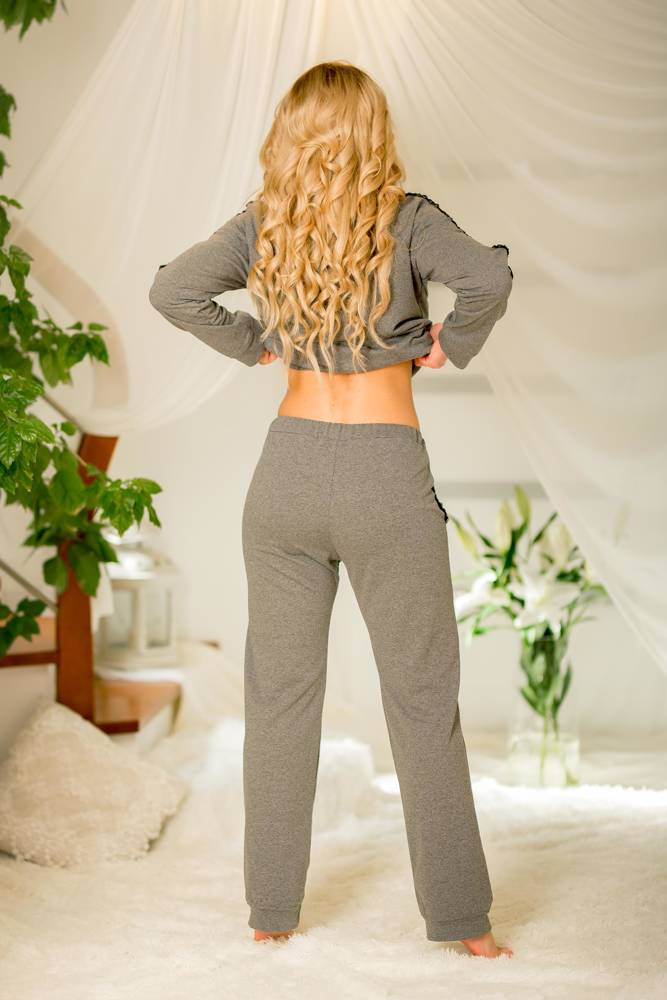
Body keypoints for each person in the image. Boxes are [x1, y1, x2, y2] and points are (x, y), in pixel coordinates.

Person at [149, 60, 514, 959]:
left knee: (279, 701)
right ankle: (462, 925)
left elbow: (171, 290)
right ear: (373, 132)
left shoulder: (264, 224)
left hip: (286, 477)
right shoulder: (409, 218)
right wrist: (450, 341)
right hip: (385, 475)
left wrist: (254, 343)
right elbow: (488, 279)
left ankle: (270, 913)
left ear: (290, 135)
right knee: (422, 701)